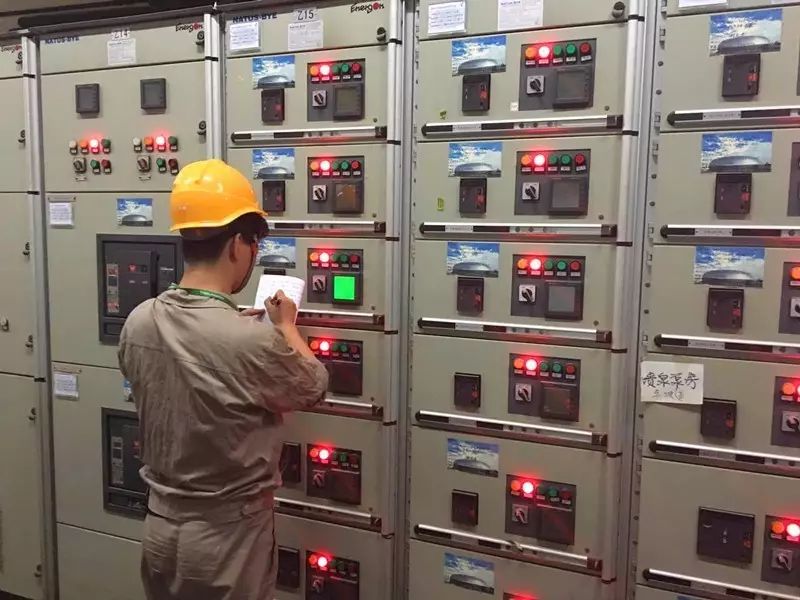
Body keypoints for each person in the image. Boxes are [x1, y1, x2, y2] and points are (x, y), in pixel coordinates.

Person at [118, 159, 329, 600]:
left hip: (160, 532)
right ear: (237, 244)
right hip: (226, 541)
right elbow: (312, 386)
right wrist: (285, 328)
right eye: (255, 245)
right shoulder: (250, 339)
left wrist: (239, 335)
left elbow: (189, 367)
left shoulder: (139, 321)